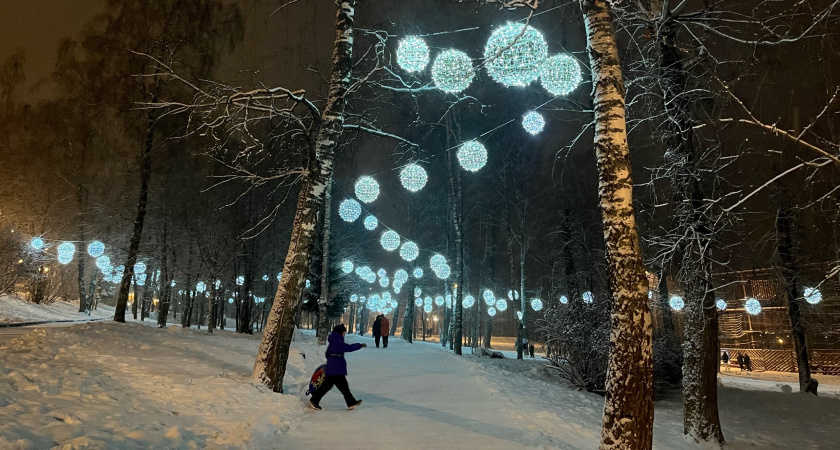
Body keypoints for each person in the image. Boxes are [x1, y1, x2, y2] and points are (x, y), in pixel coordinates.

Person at [309, 324, 365, 411]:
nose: (344, 334)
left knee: (339, 386)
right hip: (336, 368)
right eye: (344, 332)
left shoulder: (334, 340)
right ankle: (314, 400)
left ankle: (351, 402)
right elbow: (348, 347)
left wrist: (331, 360)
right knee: (335, 386)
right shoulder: (338, 341)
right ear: (340, 332)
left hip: (334, 367)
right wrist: (359, 345)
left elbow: (327, 353)